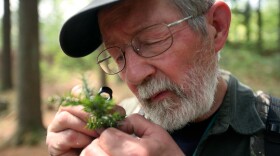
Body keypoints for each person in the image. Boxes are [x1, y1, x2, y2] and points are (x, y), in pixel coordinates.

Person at [46, 0, 278, 155]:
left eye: (152, 41)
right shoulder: (117, 126)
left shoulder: (272, 130)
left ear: (216, 27)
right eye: (118, 56)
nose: (134, 76)